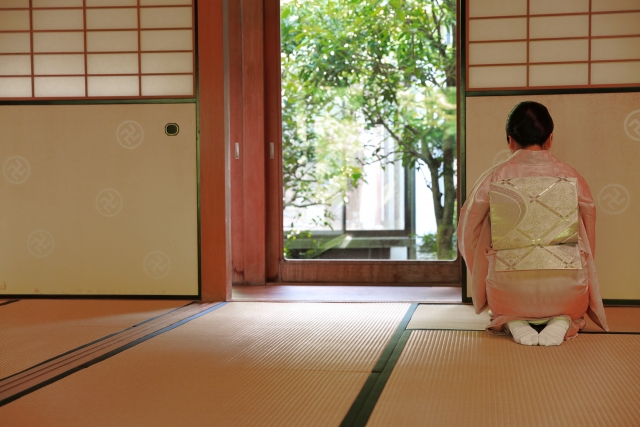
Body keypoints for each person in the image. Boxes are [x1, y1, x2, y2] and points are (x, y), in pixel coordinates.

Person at [458, 101, 609, 346]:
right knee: (570, 306)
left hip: (508, 290)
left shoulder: (494, 177)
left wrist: (482, 273)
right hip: (566, 289)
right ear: (550, 139)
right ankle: (563, 320)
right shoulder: (572, 175)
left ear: (510, 140)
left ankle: (513, 320)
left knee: (503, 303)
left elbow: (469, 232)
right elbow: (588, 236)